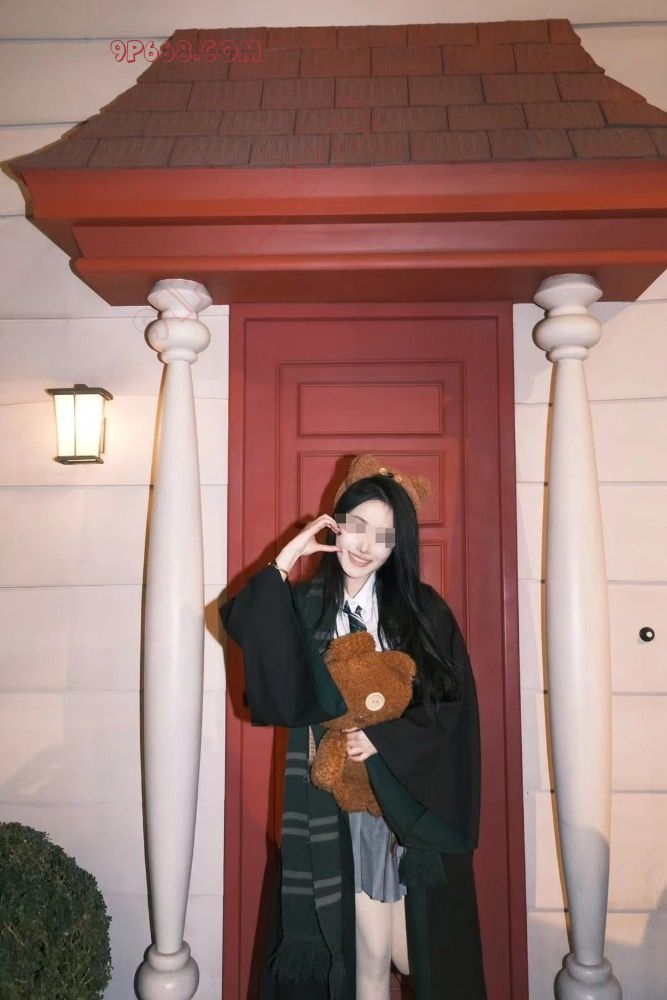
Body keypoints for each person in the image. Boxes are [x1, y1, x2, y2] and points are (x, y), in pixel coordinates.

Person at [219, 453, 487, 1000]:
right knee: (365, 957)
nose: (366, 546)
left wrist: (384, 741)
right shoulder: (305, 607)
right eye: (357, 525)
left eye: (384, 536)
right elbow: (246, 627)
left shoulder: (422, 611)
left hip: (409, 803)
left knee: (414, 953)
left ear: (397, 547)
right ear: (336, 523)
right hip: (331, 810)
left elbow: (454, 708)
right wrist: (286, 558)